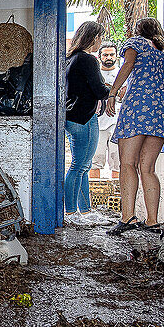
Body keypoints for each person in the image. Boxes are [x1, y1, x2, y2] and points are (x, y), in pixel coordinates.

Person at [106, 18, 164, 235]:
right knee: (148, 168)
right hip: (162, 111)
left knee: (127, 163)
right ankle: (152, 221)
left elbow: (128, 65)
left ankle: (127, 217)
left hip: (138, 108)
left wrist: (113, 92)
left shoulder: (135, 43)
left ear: (139, 31)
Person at [63, 21, 110, 225]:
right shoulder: (88, 59)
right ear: (93, 38)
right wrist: (116, 91)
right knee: (79, 166)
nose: (100, 42)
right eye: (100, 37)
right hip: (84, 117)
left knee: (82, 165)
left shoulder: (71, 59)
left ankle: (84, 210)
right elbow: (99, 91)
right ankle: (72, 212)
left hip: (71, 118)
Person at [90, 42, 120, 178]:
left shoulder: (122, 74)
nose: (109, 57)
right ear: (100, 56)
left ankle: (118, 198)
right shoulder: (95, 74)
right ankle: (94, 197)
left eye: (111, 54)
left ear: (116, 56)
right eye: (105, 54)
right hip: (98, 123)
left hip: (118, 123)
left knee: (118, 164)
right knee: (95, 162)